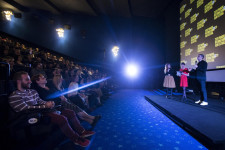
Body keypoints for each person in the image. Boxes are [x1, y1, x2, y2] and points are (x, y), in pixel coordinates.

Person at [8, 71, 95, 147]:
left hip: (44, 111)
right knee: (62, 118)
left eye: (29, 79)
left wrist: (48, 103)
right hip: (33, 116)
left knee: (70, 112)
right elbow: (26, 109)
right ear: (19, 81)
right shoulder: (14, 96)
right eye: (27, 79)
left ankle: (82, 132)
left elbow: (40, 101)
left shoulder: (32, 91)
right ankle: (76, 139)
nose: (30, 81)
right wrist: (45, 106)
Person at [31, 74, 101, 127]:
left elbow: (57, 93)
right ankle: (91, 118)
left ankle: (91, 121)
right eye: (42, 78)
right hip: (58, 104)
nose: (45, 78)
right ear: (37, 81)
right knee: (75, 108)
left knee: (76, 108)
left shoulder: (49, 86)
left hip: (62, 100)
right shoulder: (39, 91)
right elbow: (47, 99)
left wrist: (62, 97)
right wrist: (60, 98)